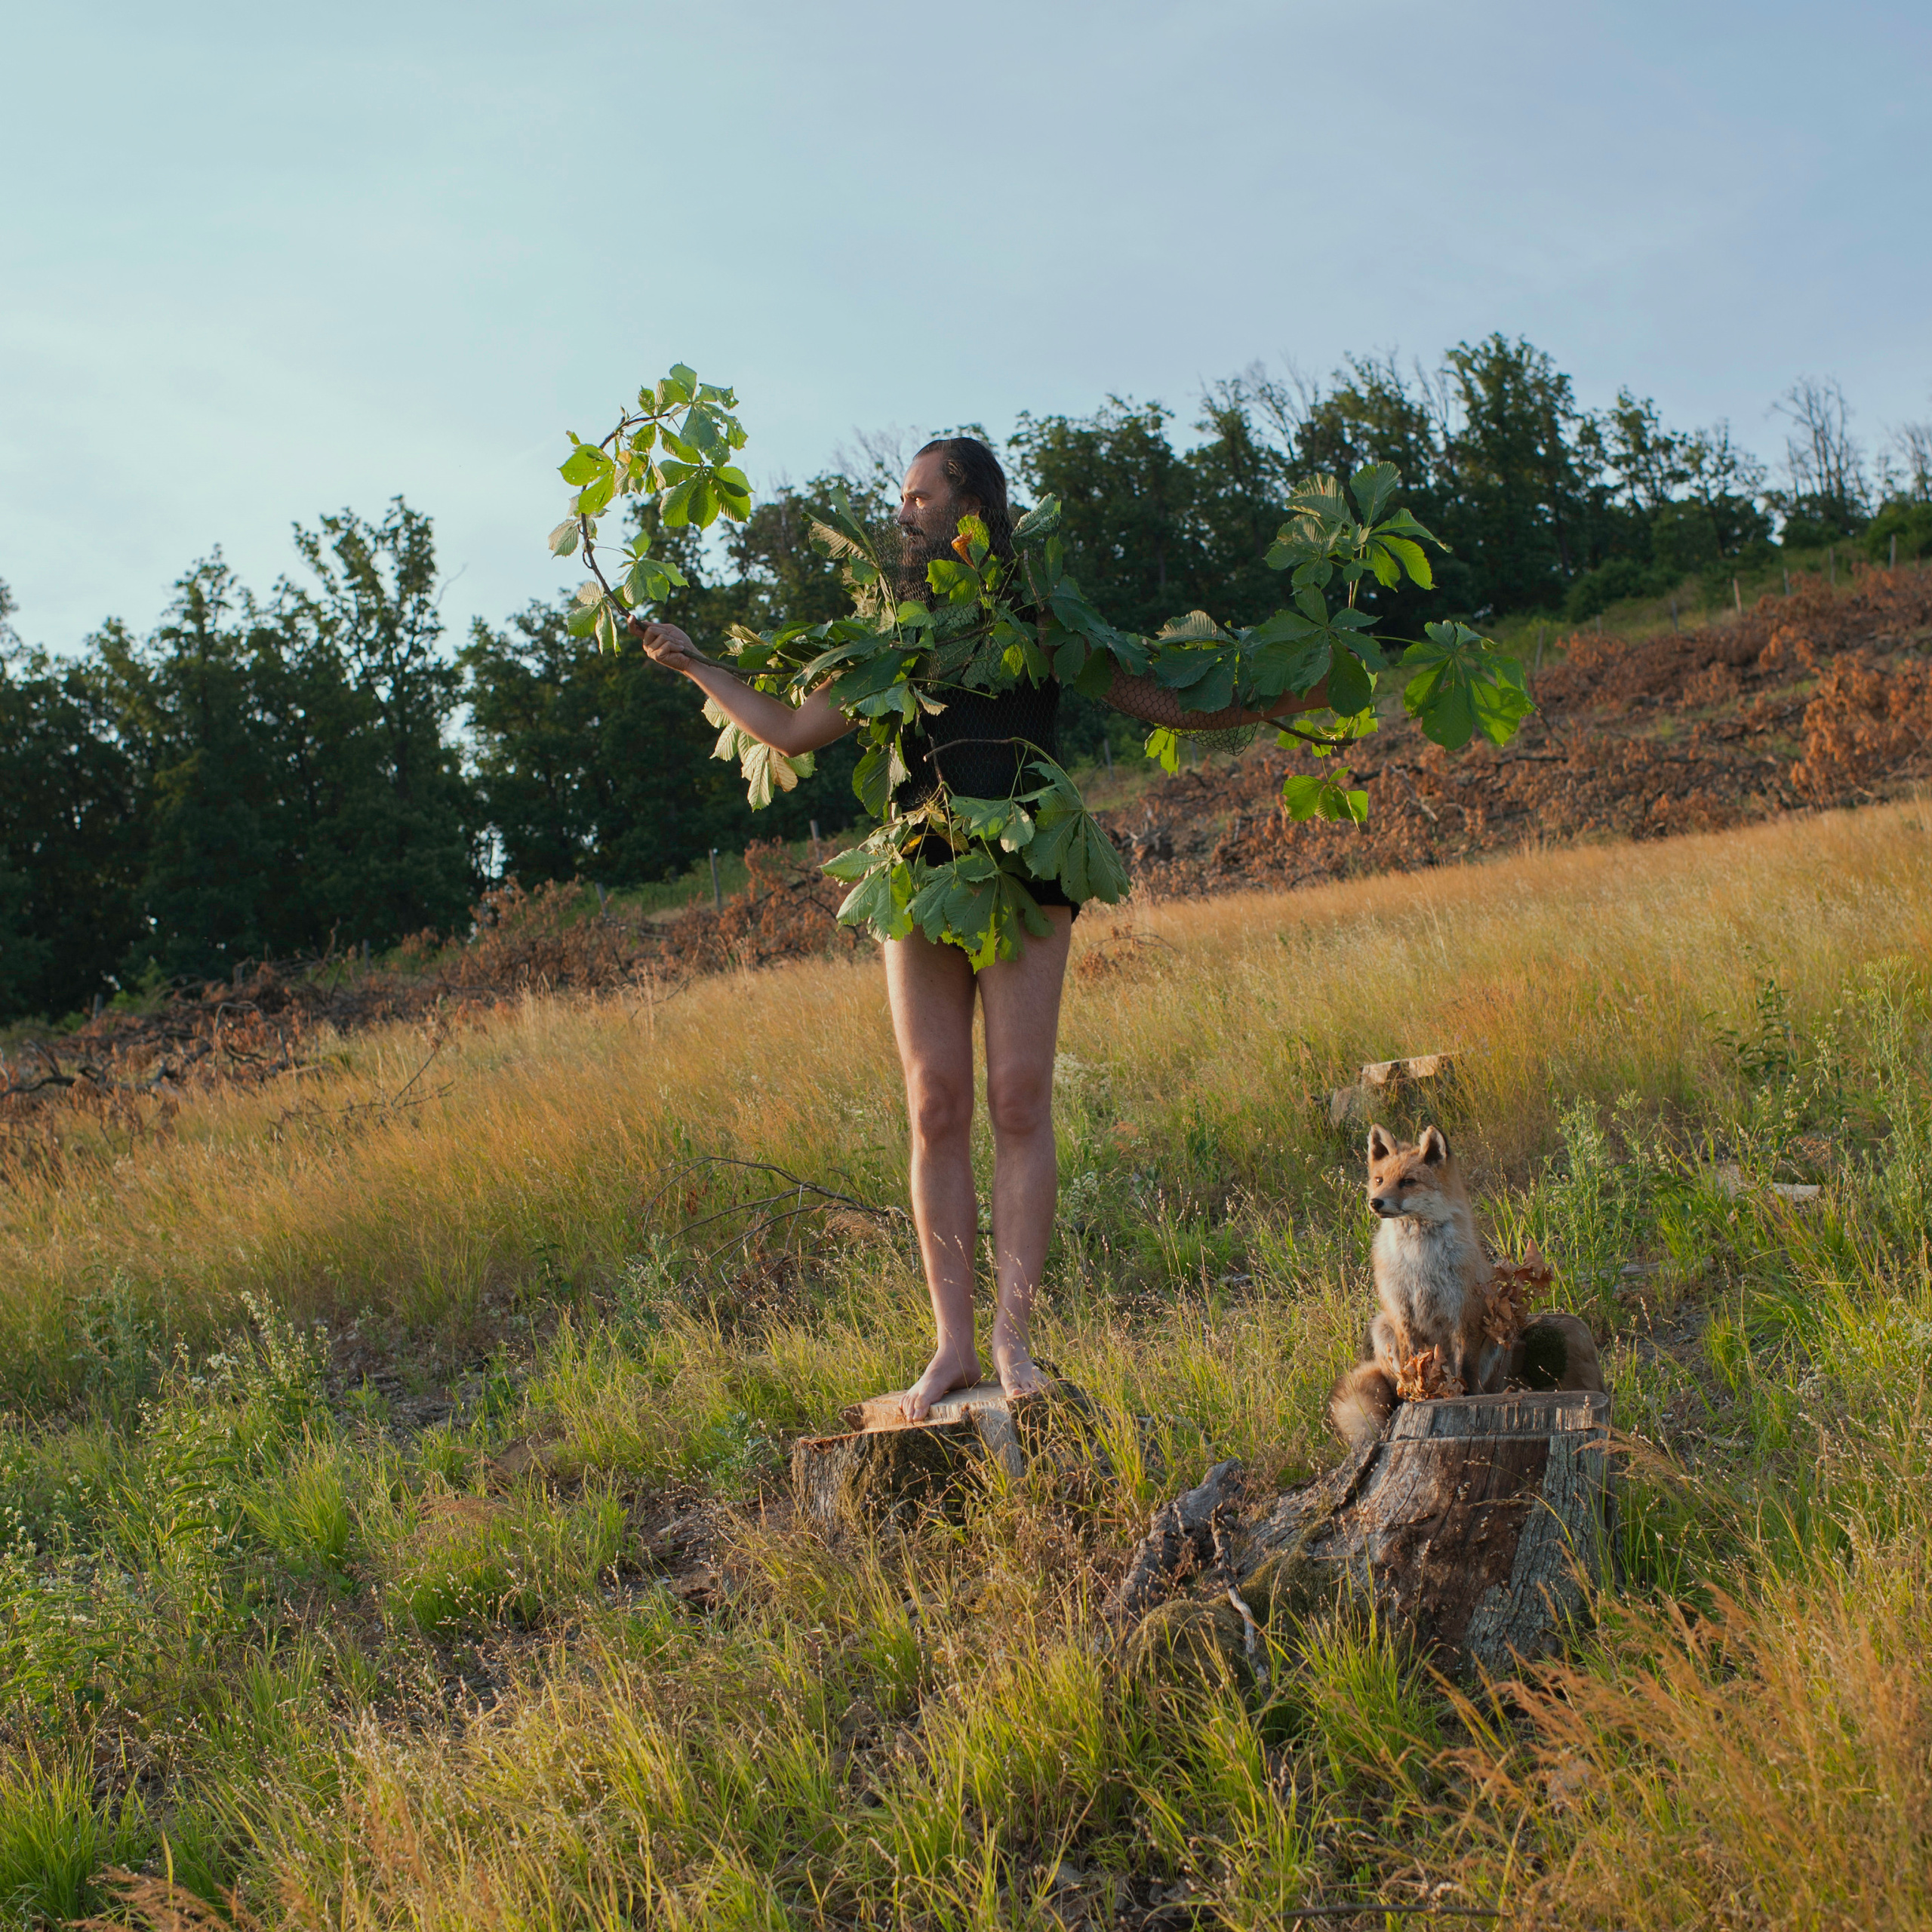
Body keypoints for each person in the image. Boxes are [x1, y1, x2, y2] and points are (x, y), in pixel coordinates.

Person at [632, 438, 1322, 1419]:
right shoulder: (893, 633)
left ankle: (1012, 1341)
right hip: (917, 873)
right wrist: (691, 662)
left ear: (973, 508)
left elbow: (1161, 695)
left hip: (1030, 863)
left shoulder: (1043, 619)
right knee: (935, 1105)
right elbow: (788, 730)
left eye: (921, 495)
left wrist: (1300, 693)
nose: (904, 512)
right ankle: (951, 1347)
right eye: (902, 498)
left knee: (1018, 1097)